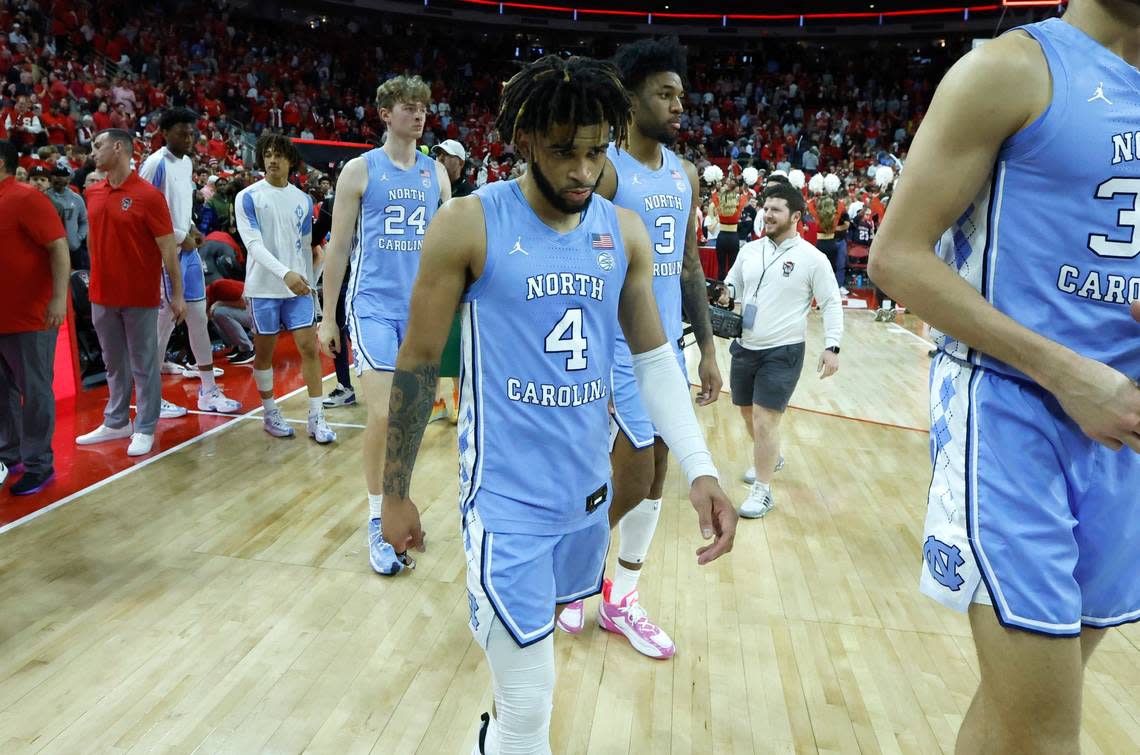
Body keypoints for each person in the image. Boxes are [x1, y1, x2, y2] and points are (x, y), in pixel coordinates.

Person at [378, 55, 736, 754]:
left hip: (586, 499)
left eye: (595, 151)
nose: (582, 168)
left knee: (529, 666)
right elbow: (419, 364)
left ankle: (492, 738)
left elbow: (656, 361)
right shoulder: (467, 224)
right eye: (564, 150)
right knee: (531, 699)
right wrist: (394, 493)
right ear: (523, 141)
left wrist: (699, 466)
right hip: (505, 505)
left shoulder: (622, 233)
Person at [868, 3, 1140, 751]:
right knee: (1049, 733)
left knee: (1018, 714)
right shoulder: (1009, 69)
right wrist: (1067, 374)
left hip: (1123, 431)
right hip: (1012, 414)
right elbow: (895, 258)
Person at [554, 38, 724, 660]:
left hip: (664, 343)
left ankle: (617, 596)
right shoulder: (607, 169)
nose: (679, 104)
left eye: (681, 94)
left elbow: (687, 267)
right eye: (664, 93)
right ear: (630, 99)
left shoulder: (682, 174)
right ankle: (574, 576)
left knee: (654, 476)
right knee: (637, 466)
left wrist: (706, 348)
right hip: (610, 343)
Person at [317, 76, 451, 575]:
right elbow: (337, 249)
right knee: (384, 414)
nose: (419, 115)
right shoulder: (359, 171)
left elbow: (443, 252)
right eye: (409, 107)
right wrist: (327, 315)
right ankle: (377, 519)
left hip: (418, 310)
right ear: (385, 113)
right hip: (370, 306)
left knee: (412, 420)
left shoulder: (436, 175)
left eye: (423, 108)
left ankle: (398, 504)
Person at [722, 182, 843, 517]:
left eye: (776, 209)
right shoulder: (749, 250)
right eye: (766, 208)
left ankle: (763, 491)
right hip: (745, 345)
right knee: (747, 413)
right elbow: (733, 282)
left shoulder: (812, 259)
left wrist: (832, 345)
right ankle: (771, 458)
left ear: (795, 217)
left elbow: (832, 302)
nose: (768, 214)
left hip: (783, 351)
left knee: (763, 419)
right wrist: (726, 293)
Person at [76, 129, 185, 457]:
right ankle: (117, 420)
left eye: (99, 146)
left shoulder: (149, 196)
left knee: (144, 363)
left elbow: (168, 250)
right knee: (113, 362)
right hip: (101, 294)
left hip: (139, 295)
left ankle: (146, 426)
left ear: (118, 147)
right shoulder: (92, 193)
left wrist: (177, 295)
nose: (93, 152)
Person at [138, 108, 242, 416]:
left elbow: (182, 208)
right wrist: (177, 236)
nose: (188, 139)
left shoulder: (185, 163)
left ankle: (208, 391)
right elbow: (143, 211)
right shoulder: (155, 163)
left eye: (191, 133)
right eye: (182, 133)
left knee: (198, 318)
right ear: (164, 133)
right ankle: (151, 400)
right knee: (162, 326)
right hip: (164, 255)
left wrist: (192, 229)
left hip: (187, 252)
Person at [236, 133, 335, 444]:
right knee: (264, 354)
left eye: (279, 154)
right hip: (263, 288)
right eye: (267, 153)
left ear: (291, 161)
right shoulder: (248, 197)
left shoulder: (304, 200)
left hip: (297, 289)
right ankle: (269, 412)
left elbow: (306, 247)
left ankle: (316, 416)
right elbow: (252, 245)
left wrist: (309, 279)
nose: (272, 159)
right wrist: (286, 274)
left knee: (310, 349)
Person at [0, 140, 69, 495]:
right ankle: (9, 454)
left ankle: (39, 463)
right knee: (3, 392)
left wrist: (59, 298)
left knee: (35, 391)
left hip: (30, 317)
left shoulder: (27, 198)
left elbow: (58, 246)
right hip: (3, 316)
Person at [44, 165, 88, 269]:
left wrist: (79, 238)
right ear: (51, 177)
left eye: (63, 176)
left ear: (68, 178)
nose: (59, 178)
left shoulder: (77, 199)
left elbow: (84, 221)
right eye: (56, 175)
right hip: (52, 248)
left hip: (73, 248)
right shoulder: (44, 196)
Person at [712, 175, 748, 278]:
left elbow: (714, 197)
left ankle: (719, 286)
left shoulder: (720, 208)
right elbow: (744, 197)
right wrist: (745, 187)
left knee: (721, 267)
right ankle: (731, 288)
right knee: (733, 266)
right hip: (733, 238)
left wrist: (715, 187)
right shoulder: (737, 209)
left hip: (722, 238)